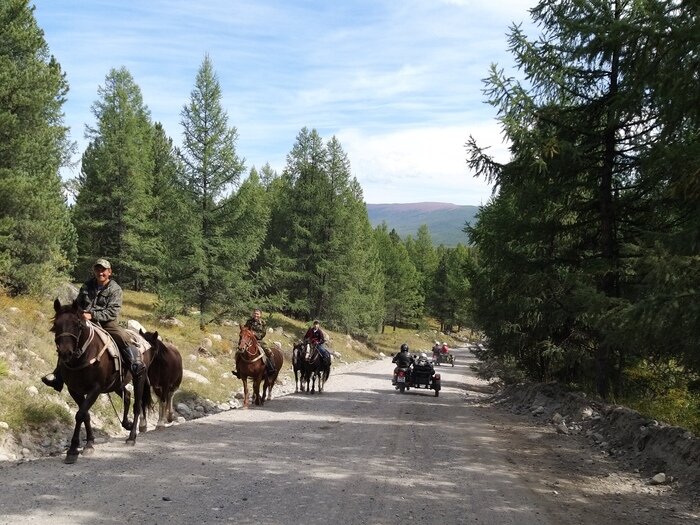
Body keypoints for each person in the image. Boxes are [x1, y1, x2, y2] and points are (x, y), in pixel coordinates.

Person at [41, 258, 146, 392]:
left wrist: (93, 315)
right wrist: (76, 314)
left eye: (103, 270)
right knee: (67, 340)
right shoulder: (87, 285)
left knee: (122, 336)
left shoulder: (115, 289)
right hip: (84, 320)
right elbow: (78, 303)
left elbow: (112, 311)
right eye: (97, 269)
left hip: (106, 322)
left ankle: (134, 364)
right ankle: (58, 375)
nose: (100, 272)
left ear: (109, 272)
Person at [232, 308, 276, 377]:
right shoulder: (249, 321)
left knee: (269, 351)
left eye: (257, 314)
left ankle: (271, 369)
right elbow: (245, 330)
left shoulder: (263, 323)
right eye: (255, 313)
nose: (256, 315)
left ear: (260, 315)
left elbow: (263, 334)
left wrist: (254, 334)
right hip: (248, 340)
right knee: (238, 352)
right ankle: (238, 370)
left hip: (258, 340)